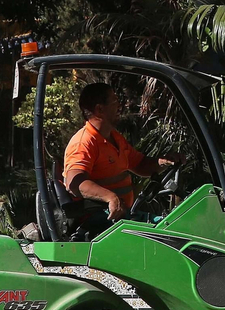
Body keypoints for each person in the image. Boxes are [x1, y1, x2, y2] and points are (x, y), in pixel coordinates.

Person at [63, 82, 176, 221]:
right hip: (100, 220)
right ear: (99, 109)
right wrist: (110, 197)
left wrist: (164, 162)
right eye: (115, 101)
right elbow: (75, 184)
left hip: (124, 216)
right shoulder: (84, 143)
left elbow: (140, 164)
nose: (120, 106)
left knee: (169, 223)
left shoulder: (115, 137)